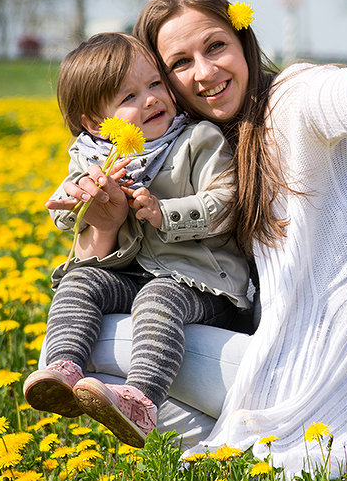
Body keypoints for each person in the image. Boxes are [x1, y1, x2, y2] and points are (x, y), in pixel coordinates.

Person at [54, 0, 347, 478]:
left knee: (97, 349)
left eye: (216, 46)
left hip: (324, 354)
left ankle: (244, 452)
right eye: (179, 63)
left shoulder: (291, 100)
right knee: (84, 326)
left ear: (242, 38)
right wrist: (100, 222)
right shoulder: (186, 149)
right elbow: (108, 266)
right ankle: (240, 457)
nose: (204, 72)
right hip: (276, 347)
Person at [32, 32, 252, 448]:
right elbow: (69, 219)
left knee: (159, 298)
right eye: (128, 97)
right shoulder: (90, 157)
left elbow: (227, 203)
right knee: (80, 283)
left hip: (201, 283)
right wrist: (83, 201)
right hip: (130, 277)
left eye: (155, 84)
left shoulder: (196, 140)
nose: (150, 99)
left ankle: (141, 401)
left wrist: (164, 213)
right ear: (96, 124)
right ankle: (63, 368)